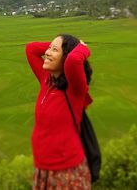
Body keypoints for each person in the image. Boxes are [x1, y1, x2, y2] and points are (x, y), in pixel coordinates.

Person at [25, 34, 93, 189]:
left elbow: (74, 61)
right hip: (43, 167)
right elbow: (30, 49)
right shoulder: (46, 79)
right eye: (48, 48)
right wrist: (57, 46)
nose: (47, 52)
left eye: (54, 50)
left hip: (66, 169)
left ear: (65, 57)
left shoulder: (74, 89)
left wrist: (81, 47)